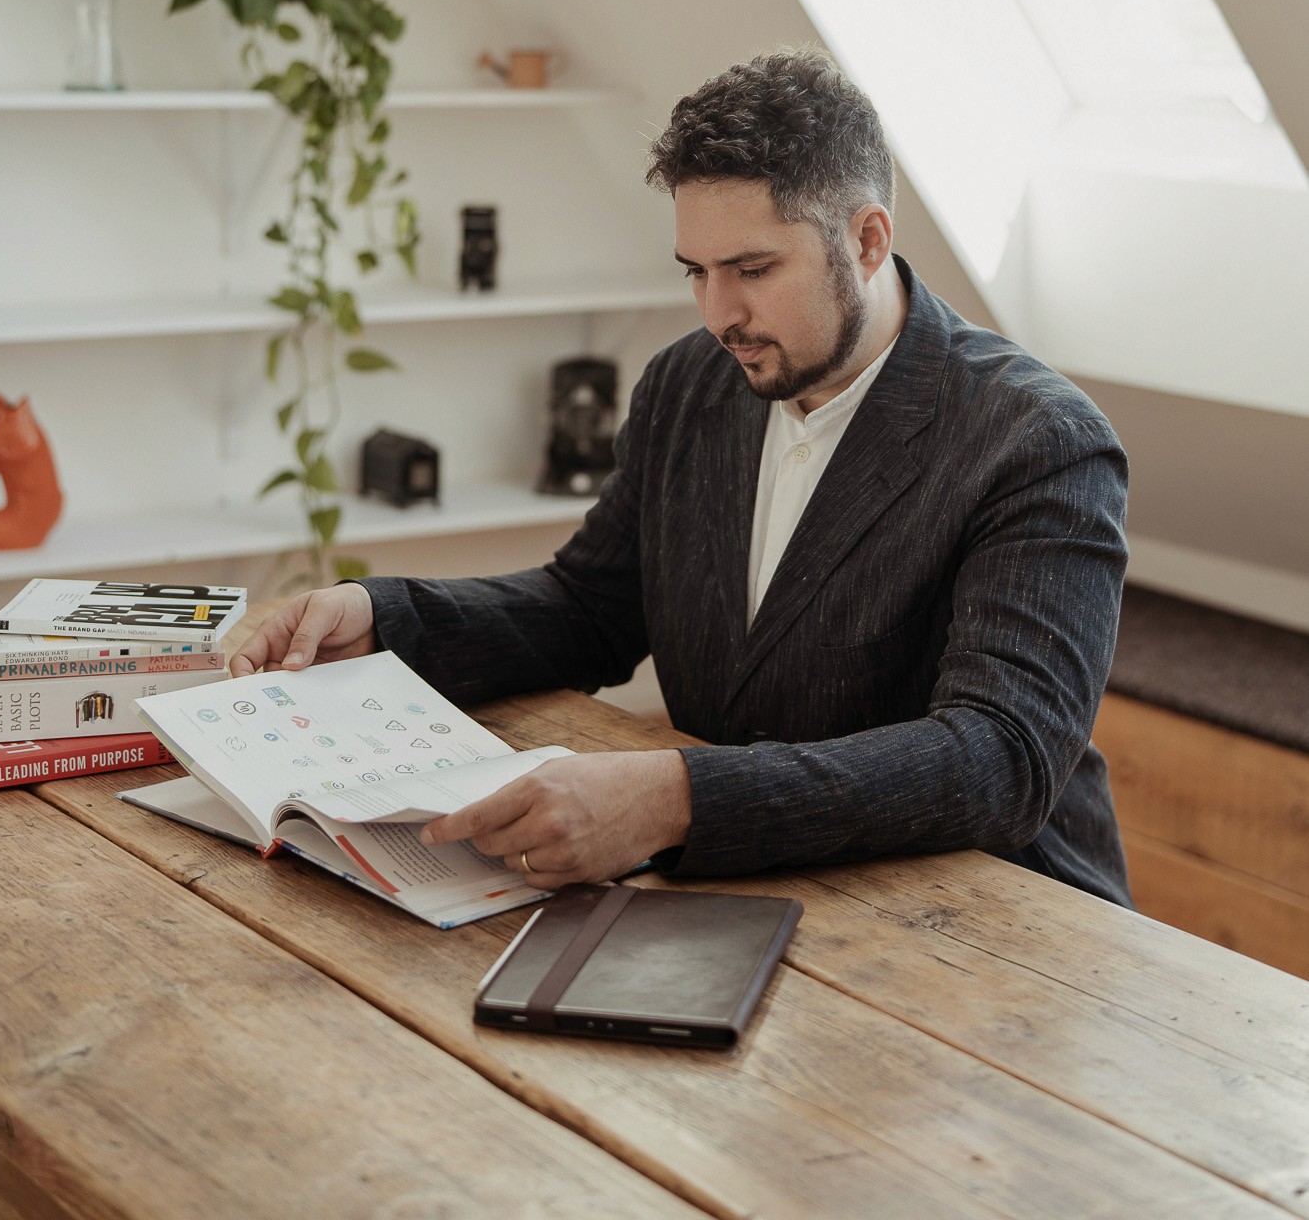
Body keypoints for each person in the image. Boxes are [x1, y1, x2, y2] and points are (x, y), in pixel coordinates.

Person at [233, 50, 1132, 906]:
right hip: (766, 895)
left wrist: (672, 798)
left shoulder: (1037, 441)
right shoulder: (689, 385)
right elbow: (592, 607)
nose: (718, 315)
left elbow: (999, 760)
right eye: (696, 272)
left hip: (1000, 924)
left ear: (865, 241)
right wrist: (387, 619)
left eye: (752, 270)